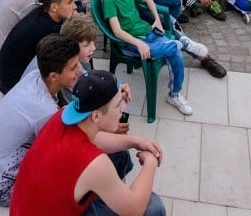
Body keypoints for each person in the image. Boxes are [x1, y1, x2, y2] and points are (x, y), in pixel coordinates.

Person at [10, 70, 166, 216]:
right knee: (153, 206)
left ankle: (114, 192)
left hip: (29, 206)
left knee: (120, 153)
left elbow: (96, 140)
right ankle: (116, 194)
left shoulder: (63, 114)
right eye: (118, 104)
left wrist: (135, 141)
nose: (123, 108)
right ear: (96, 116)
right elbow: (135, 209)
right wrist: (150, 161)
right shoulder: (94, 164)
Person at [0, 35, 84, 207]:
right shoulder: (44, 110)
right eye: (73, 68)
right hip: (3, 190)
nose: (79, 71)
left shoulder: (35, 76)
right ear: (54, 76)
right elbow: (64, 150)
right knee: (79, 181)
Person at [103, 0, 203, 116]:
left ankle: (174, 95)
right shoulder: (109, 0)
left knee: (174, 52)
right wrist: (138, 43)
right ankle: (182, 43)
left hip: (148, 32)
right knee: (172, 47)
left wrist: (156, 19)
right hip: (131, 43)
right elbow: (116, 31)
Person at [0, 0, 79, 94]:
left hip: (7, 76)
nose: (75, 6)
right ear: (54, 7)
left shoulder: (43, 12)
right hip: (14, 85)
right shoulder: (48, 30)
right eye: (69, 2)